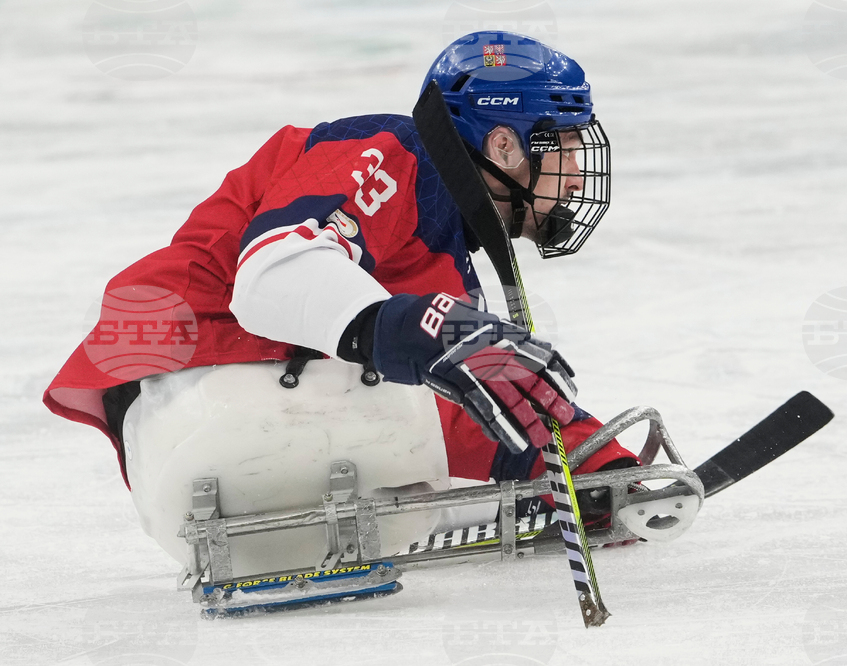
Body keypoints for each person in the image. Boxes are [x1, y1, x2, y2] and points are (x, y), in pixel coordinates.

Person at [42, 32, 639, 572]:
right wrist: (433, 331)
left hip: (206, 465)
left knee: (437, 402)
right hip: (197, 384)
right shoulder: (388, 153)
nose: (577, 178)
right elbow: (273, 278)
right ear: (504, 144)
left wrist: (598, 467)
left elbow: (435, 396)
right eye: (562, 147)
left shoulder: (441, 241)